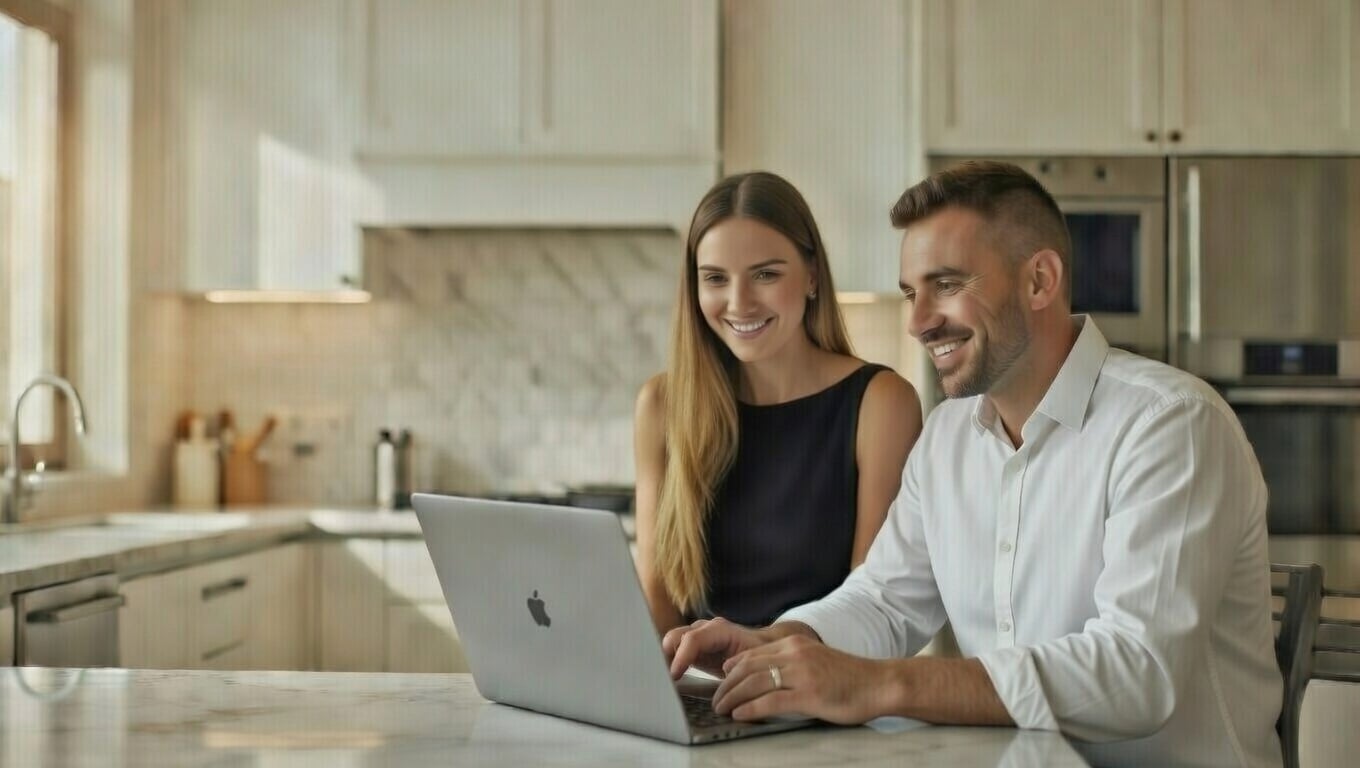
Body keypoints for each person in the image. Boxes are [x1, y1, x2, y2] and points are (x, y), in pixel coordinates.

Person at [663, 161, 1283, 768]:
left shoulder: (1169, 424)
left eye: (948, 285)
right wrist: (774, 643)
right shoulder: (949, 438)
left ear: (1039, 281)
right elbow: (884, 602)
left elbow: (1136, 672)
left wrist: (882, 685)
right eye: (911, 292)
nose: (918, 321)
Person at [634, 171, 922, 633]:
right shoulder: (661, 405)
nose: (738, 302)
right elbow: (660, 607)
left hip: (818, 696)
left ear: (811, 276)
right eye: (715, 279)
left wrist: (761, 659)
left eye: (765, 274)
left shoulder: (881, 404)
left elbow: (871, 608)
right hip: (694, 694)